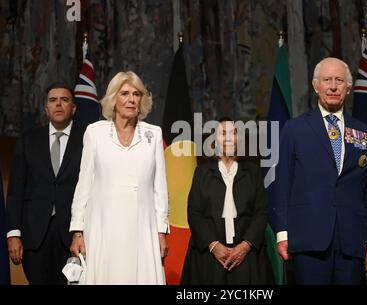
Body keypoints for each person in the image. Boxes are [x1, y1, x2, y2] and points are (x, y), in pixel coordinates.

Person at [270, 57, 367, 285]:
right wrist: (282, 234)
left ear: (348, 88)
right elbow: (282, 185)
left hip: (352, 242)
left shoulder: (366, 133)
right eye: (327, 80)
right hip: (308, 239)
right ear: (316, 86)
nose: (333, 86)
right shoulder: (294, 129)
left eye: (339, 80)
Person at [69, 71, 169, 284]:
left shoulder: (154, 134)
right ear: (113, 99)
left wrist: (161, 232)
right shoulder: (94, 133)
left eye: (136, 94)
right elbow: (83, 185)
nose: (132, 99)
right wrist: (78, 231)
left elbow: (160, 189)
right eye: (125, 93)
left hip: (143, 228)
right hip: (103, 227)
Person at [5, 82, 83, 284]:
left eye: (64, 100)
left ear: (73, 108)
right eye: (53, 100)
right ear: (46, 108)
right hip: (33, 236)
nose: (58, 104)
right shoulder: (28, 140)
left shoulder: (88, 140)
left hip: (73, 237)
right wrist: (13, 234)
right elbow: (15, 191)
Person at [181, 118, 274, 284]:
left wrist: (245, 246)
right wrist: (213, 245)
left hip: (247, 256)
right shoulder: (202, 173)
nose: (229, 138)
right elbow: (194, 213)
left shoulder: (253, 172)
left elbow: (261, 212)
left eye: (234, 133)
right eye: (223, 133)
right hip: (209, 256)